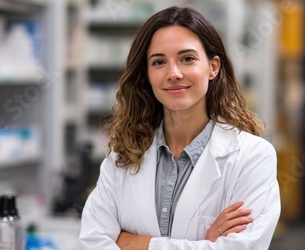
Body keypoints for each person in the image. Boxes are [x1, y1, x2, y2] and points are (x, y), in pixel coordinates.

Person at [79, 6, 280, 249]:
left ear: (213, 67)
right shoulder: (123, 155)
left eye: (187, 59)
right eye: (159, 62)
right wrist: (202, 244)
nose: (173, 73)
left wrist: (133, 243)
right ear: (147, 73)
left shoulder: (252, 156)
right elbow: (91, 242)